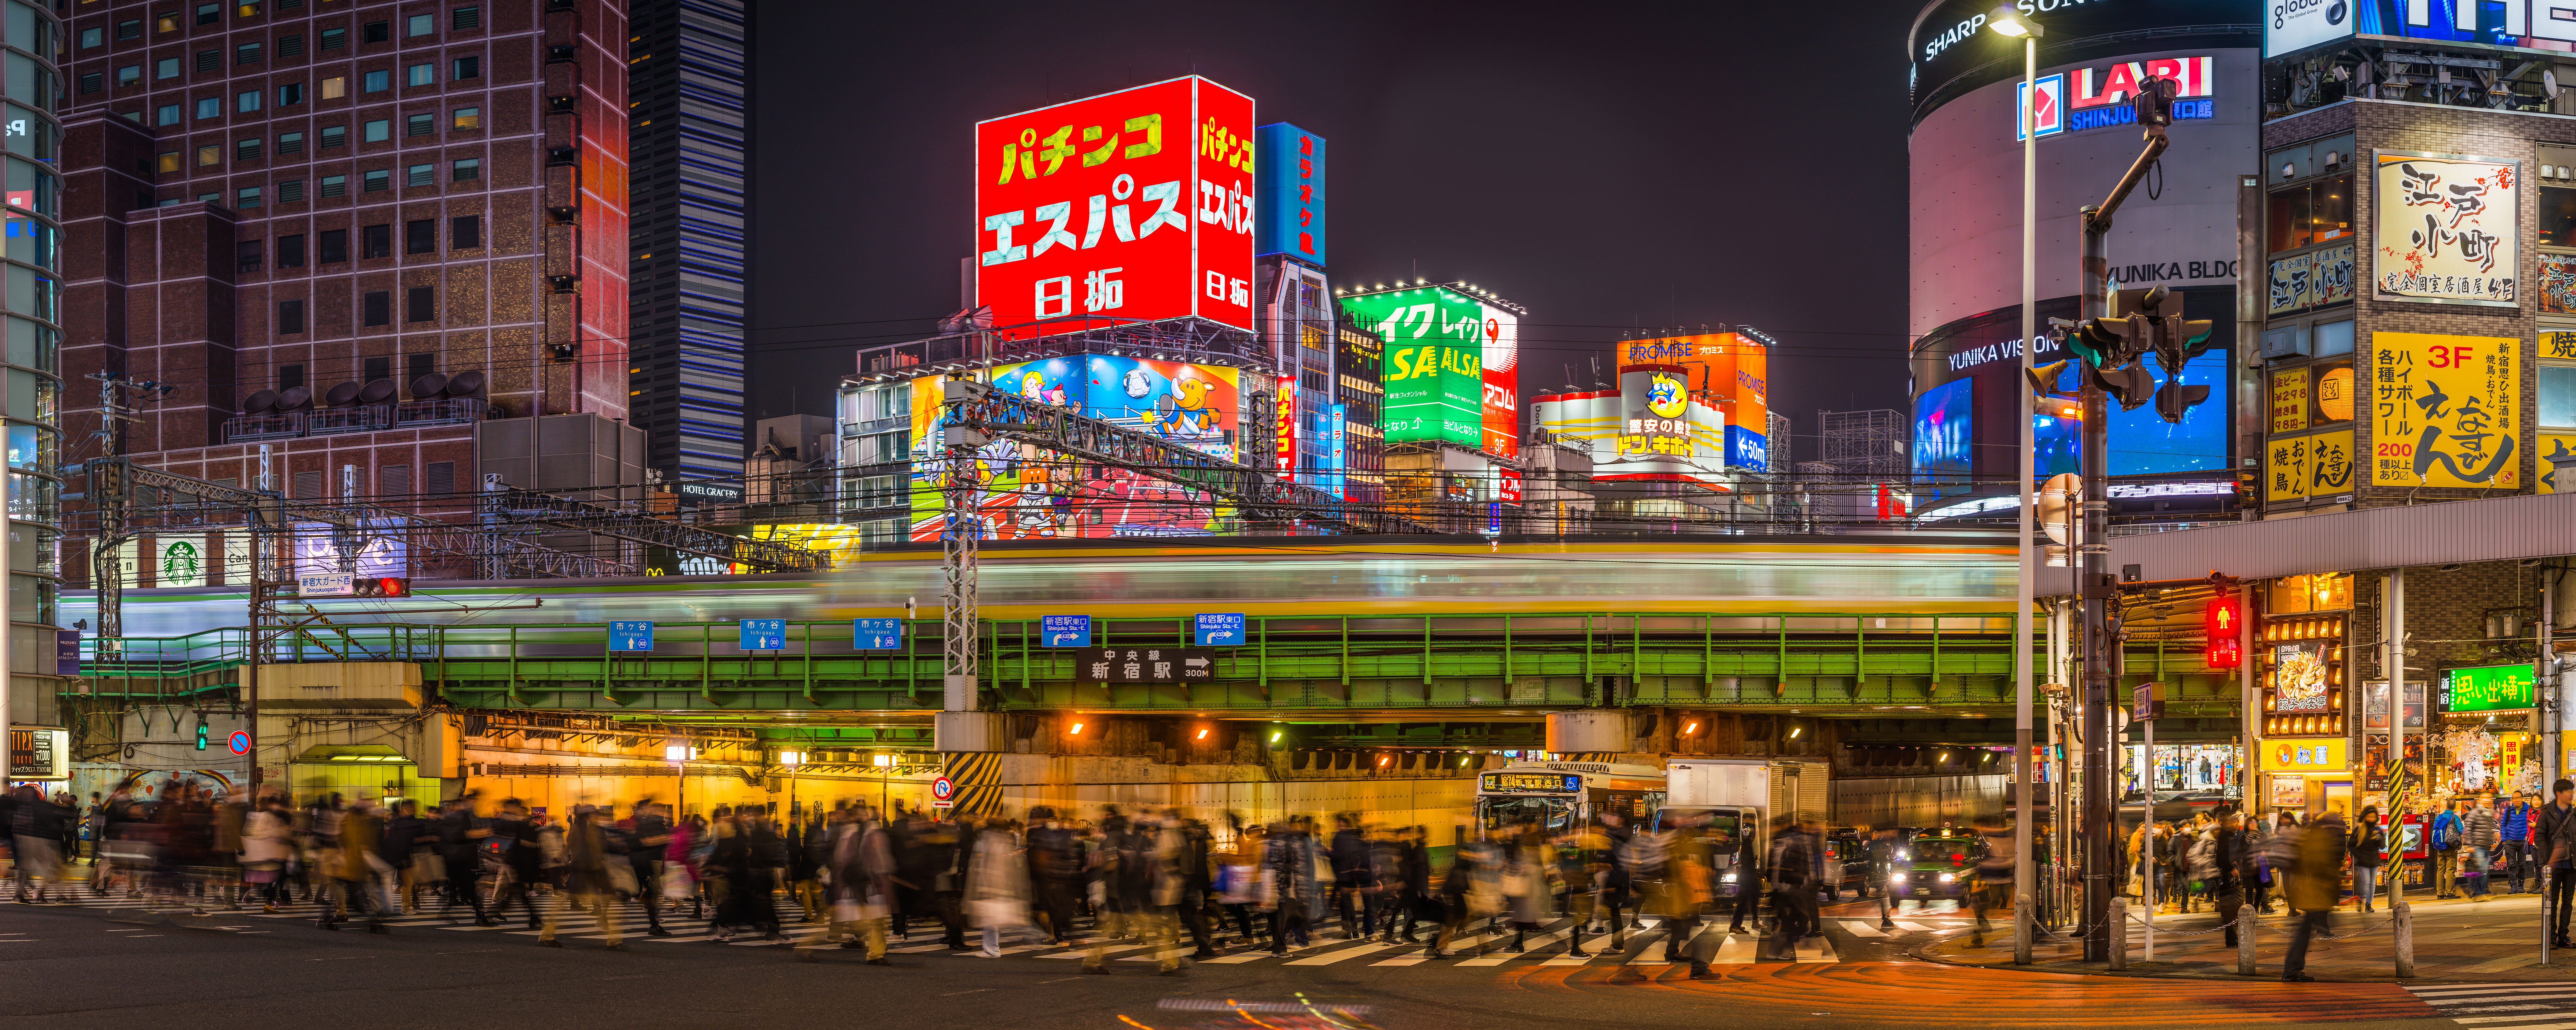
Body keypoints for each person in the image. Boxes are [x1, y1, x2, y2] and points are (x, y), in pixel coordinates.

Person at [541, 804, 624, 950]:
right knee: (562, 903)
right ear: (589, 815)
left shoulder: (589, 827)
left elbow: (574, 846)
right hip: (584, 871)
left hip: (593, 870)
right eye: (595, 814)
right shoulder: (582, 828)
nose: (598, 816)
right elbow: (573, 846)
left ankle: (615, 940)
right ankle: (546, 936)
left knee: (611, 902)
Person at [2281, 808, 2344, 982]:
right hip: (2317, 891)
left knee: (2306, 931)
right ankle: (2292, 970)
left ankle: (2292, 969)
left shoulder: (2317, 834)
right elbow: (2319, 864)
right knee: (2304, 932)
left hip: (2317, 891)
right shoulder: (2320, 837)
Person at [1762, 814, 1811, 963]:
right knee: (1800, 920)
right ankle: (1776, 949)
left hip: (1787, 887)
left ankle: (1777, 948)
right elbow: (1793, 865)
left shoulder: (1780, 841)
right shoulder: (1792, 841)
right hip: (1791, 887)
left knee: (1790, 919)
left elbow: (1773, 866)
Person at [1969, 813, 2014, 948]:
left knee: (1982, 902)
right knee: (1990, 902)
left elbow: (1999, 855)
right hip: (1999, 874)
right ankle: (1982, 929)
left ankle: (1981, 932)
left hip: (1993, 873)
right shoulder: (2001, 835)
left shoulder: (1990, 836)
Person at [2544, 779, 2576, 948]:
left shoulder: (2574, 813)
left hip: (2571, 865)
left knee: (2568, 901)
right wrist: (2545, 862)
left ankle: (2564, 936)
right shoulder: (2547, 813)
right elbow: (2540, 838)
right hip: (2553, 867)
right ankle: (2551, 936)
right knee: (2552, 901)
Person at [2213, 811, 2248, 947]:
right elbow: (2221, 858)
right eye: (2230, 821)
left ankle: (2232, 937)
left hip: (2227, 876)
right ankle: (2231, 938)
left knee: (2230, 910)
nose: (2235, 823)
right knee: (2229, 909)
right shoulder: (2224, 835)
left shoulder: (2227, 835)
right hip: (2227, 878)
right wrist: (2230, 868)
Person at [2349, 805, 2386, 914]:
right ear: (2365, 817)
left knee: (2372, 883)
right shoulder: (2359, 830)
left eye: (2373, 817)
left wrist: (2379, 839)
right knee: (2366, 882)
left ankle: (2369, 905)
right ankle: (2360, 900)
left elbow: (2383, 847)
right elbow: (2351, 846)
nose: (2371, 819)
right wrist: (2360, 855)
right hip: (2363, 861)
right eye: (2369, 817)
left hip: (2374, 860)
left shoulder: (2378, 830)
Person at [2463, 795, 2498, 900]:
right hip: (2477, 846)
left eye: (2489, 799)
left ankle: (2480, 893)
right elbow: (2468, 829)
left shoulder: (2487, 814)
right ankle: (2478, 894)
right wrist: (2470, 846)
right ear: (2480, 801)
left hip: (2486, 846)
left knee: (2483, 871)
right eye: (2485, 799)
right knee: (2482, 870)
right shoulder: (2475, 813)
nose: (2488, 800)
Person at [2502, 793, 2535, 895]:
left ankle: (2521, 886)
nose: (2516, 800)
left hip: (2523, 841)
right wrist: (2505, 838)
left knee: (2522, 865)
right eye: (2514, 798)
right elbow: (2503, 824)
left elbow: (2531, 823)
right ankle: (2513, 887)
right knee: (2511, 865)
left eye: (2518, 798)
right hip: (2510, 842)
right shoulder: (2508, 810)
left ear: (2522, 799)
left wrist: (2528, 836)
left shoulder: (2528, 809)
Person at [2430, 799, 2463, 899]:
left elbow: (2434, 831)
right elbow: (2462, 830)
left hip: (2440, 848)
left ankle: (2440, 894)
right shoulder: (2455, 817)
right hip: (2451, 847)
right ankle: (2449, 893)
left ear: (2446, 806)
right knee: (2450, 870)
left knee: (2440, 870)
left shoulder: (2439, 818)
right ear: (2455, 808)